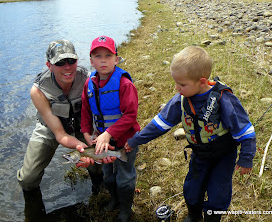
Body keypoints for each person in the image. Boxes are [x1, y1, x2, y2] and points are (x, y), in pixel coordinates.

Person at [125, 46, 256, 222]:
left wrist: (246, 157)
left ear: (202, 82)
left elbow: (245, 130)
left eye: (182, 84)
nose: (177, 88)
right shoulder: (180, 100)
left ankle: (212, 218)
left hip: (223, 156)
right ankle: (193, 215)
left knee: (219, 194)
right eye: (176, 83)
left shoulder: (223, 99)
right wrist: (136, 140)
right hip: (199, 154)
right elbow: (159, 124)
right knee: (192, 190)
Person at [17, 40, 112, 222]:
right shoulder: (38, 90)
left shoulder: (88, 79)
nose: (67, 67)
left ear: (77, 61)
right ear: (49, 65)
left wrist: (91, 141)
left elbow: (94, 115)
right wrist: (80, 147)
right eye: (60, 63)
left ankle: (99, 189)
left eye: (71, 61)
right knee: (28, 179)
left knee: (97, 166)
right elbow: (60, 134)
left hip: (81, 127)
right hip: (50, 128)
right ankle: (33, 211)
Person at [81, 36, 140, 222]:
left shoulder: (124, 84)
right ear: (91, 61)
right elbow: (85, 112)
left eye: (108, 55)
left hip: (126, 140)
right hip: (101, 141)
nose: (103, 60)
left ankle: (125, 208)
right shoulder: (88, 84)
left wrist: (109, 133)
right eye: (98, 56)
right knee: (108, 175)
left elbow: (130, 116)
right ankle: (114, 199)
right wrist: (86, 135)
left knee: (125, 176)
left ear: (117, 58)